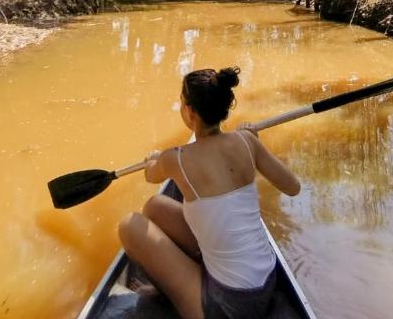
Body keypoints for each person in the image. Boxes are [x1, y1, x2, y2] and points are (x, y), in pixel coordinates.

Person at [118, 66, 301, 319]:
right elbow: (293, 187)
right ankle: (178, 284)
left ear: (190, 112)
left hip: (227, 307)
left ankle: (171, 293)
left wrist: (153, 159)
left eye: (182, 103)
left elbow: (151, 174)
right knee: (154, 207)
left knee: (129, 225)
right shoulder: (247, 142)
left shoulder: (176, 159)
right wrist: (255, 142)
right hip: (267, 282)